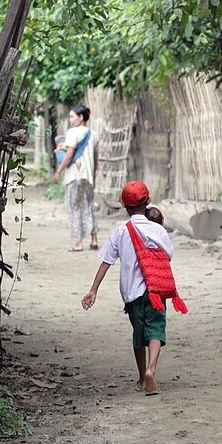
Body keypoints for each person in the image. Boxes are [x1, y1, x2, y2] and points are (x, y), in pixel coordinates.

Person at [81, 181, 174, 396]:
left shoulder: (121, 232)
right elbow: (168, 255)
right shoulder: (158, 230)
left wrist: (93, 290)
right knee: (156, 331)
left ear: (123, 205)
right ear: (148, 201)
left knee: (138, 334)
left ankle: (142, 378)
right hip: (156, 291)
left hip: (131, 293)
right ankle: (152, 369)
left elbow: (106, 261)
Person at [53, 105, 98, 251]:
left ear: (81, 117)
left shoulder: (72, 133)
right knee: (89, 206)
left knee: (74, 207)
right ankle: (94, 239)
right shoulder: (94, 134)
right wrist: (94, 175)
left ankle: (78, 243)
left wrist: (59, 171)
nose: (70, 120)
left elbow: (69, 155)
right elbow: (95, 159)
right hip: (89, 176)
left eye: (72, 117)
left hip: (74, 176)